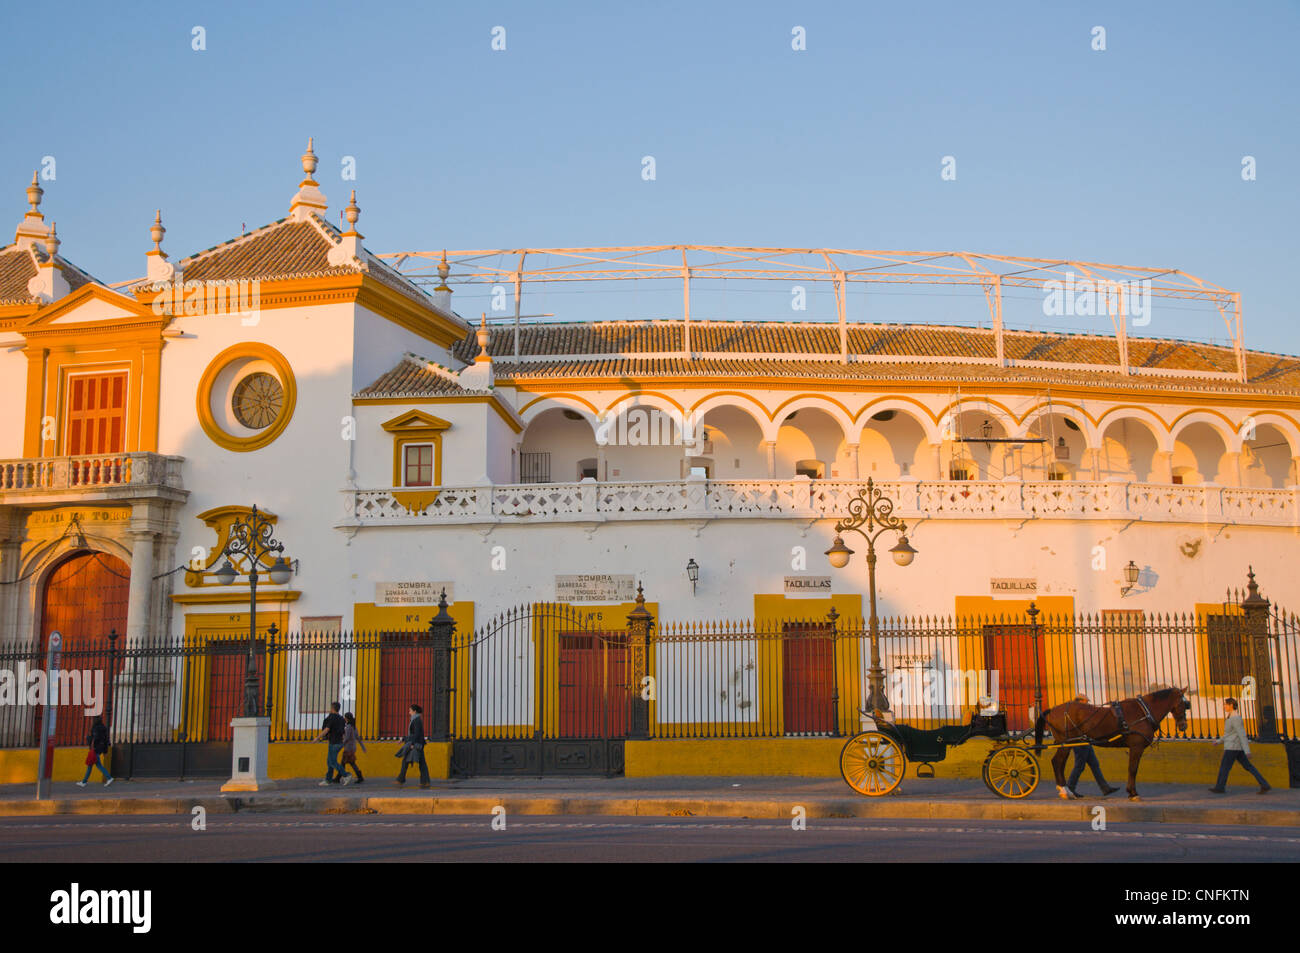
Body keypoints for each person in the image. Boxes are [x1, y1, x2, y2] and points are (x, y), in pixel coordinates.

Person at [1209, 697, 1270, 794]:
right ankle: (1264, 784)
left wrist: (1247, 751)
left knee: (1224, 767)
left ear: (1231, 705)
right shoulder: (1231, 717)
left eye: (1225, 704)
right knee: (1248, 767)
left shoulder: (1235, 718)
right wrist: (1218, 741)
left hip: (1232, 747)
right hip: (1236, 747)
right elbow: (1229, 734)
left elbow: (1242, 734)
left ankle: (1220, 787)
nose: (1224, 706)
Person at [1066, 694, 1119, 798]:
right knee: (1079, 766)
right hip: (1079, 742)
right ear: (1079, 701)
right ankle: (1070, 788)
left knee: (1094, 764)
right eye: (1085, 701)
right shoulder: (1075, 713)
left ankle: (1105, 788)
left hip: (1086, 741)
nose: (1087, 703)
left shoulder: (1081, 712)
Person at [395, 703, 430, 788]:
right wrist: (404, 739)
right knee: (416, 762)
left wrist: (412, 744)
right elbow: (414, 734)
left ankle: (402, 779)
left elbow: (417, 734)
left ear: (414, 711)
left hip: (416, 744)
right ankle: (424, 781)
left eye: (410, 710)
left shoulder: (416, 720)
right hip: (417, 743)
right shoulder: (415, 719)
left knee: (418, 762)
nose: (409, 712)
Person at [312, 701, 347, 785]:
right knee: (329, 761)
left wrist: (317, 738)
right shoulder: (341, 718)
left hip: (334, 742)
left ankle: (346, 775)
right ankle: (328, 780)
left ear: (332, 708)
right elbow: (343, 732)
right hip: (340, 743)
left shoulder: (332, 717)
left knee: (332, 762)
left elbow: (326, 729)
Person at [77, 716, 114, 787]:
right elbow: (106, 738)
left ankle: (109, 778)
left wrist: (89, 739)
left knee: (97, 765)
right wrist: (105, 749)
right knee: (91, 765)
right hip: (100, 748)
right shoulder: (103, 727)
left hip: (95, 748)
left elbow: (95, 738)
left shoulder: (95, 728)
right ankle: (84, 782)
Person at [338, 712, 367, 785]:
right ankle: (338, 776)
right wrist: (363, 747)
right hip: (353, 747)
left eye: (345, 717)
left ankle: (359, 776)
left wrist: (341, 745)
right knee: (344, 762)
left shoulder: (348, 727)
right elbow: (358, 737)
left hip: (348, 747)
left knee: (350, 762)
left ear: (346, 718)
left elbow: (347, 738)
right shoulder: (354, 727)